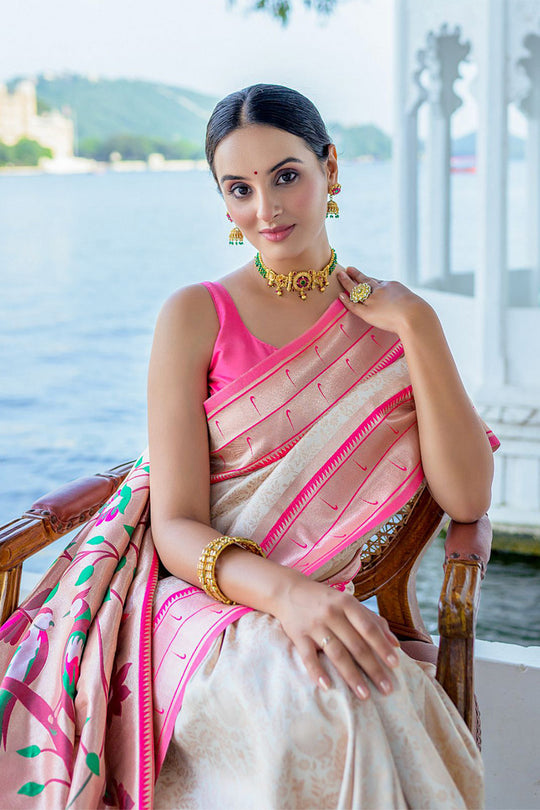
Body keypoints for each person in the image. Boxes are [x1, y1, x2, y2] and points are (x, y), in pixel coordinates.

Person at [0, 84, 498, 809]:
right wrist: (287, 595)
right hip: (203, 602)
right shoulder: (195, 314)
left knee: (350, 694)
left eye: (286, 176)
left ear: (330, 168)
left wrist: (418, 324)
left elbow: (468, 498)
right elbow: (175, 526)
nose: (266, 208)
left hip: (324, 603)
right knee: (323, 703)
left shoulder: (391, 326)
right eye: (240, 188)